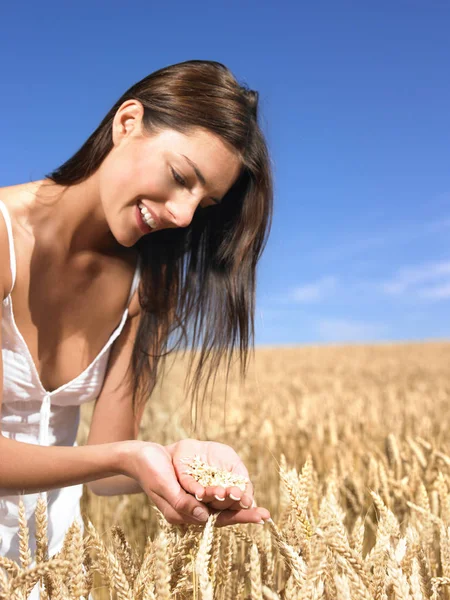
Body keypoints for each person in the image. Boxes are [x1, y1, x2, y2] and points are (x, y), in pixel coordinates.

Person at [0, 59, 273, 583]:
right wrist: (128, 456)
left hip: (53, 575)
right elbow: (116, 458)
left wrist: (179, 461)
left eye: (205, 202)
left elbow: (106, 471)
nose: (184, 215)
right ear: (127, 123)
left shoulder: (150, 286)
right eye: (179, 178)